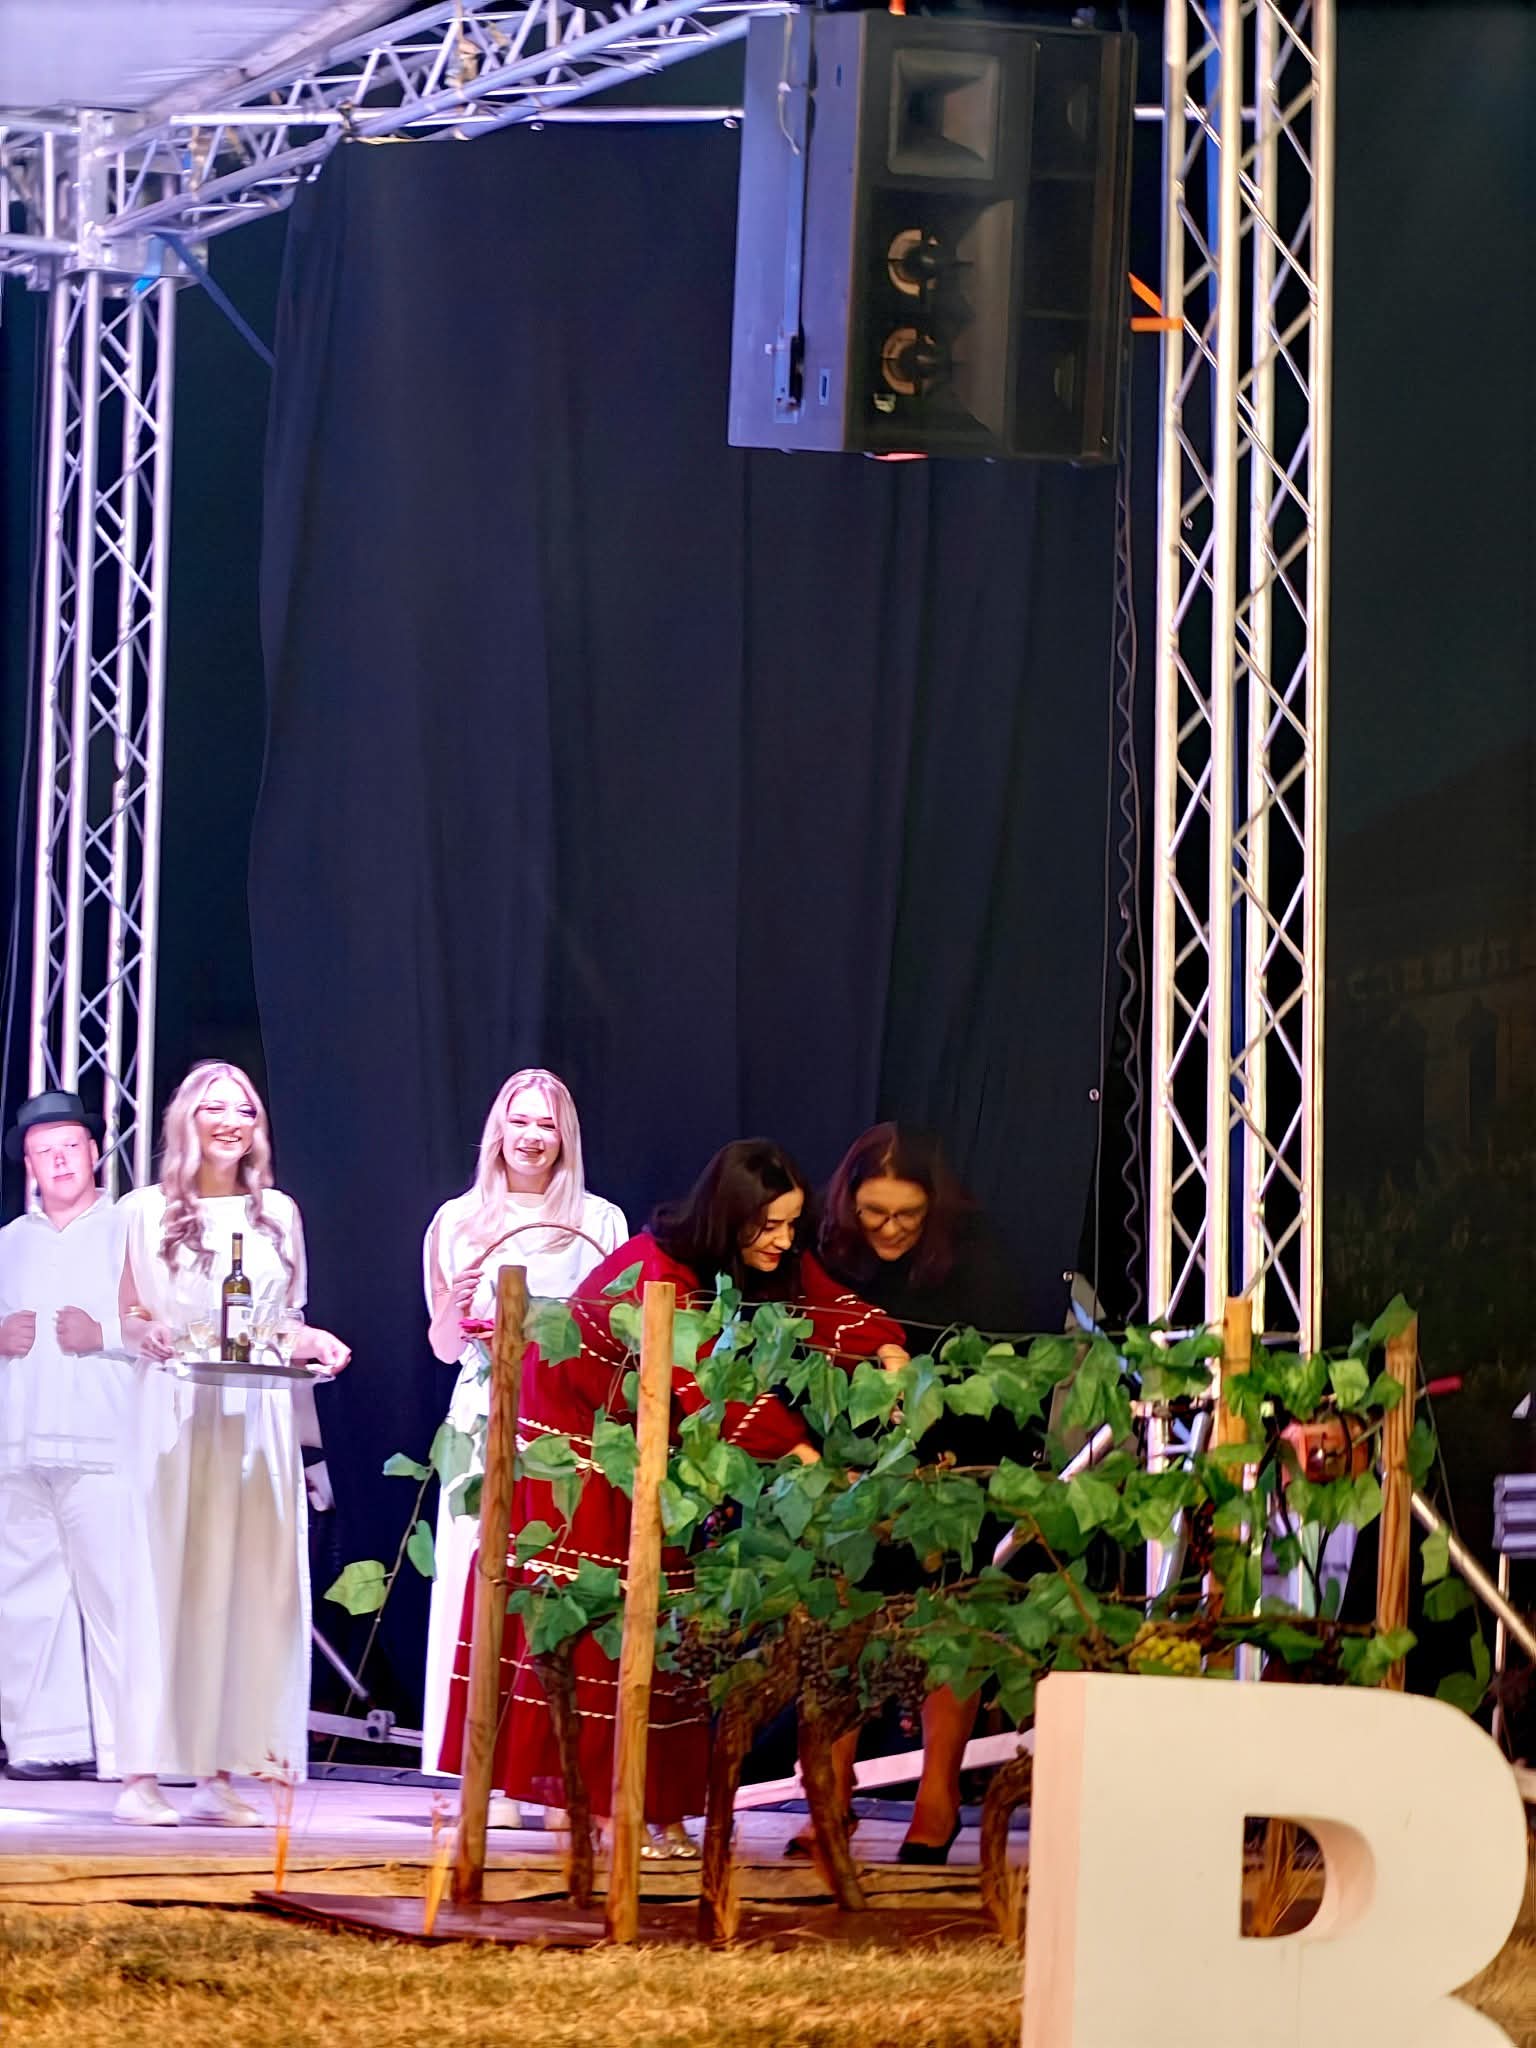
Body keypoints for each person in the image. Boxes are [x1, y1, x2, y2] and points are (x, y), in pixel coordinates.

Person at [438, 1138, 904, 1852]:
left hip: (646, 1444)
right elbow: (711, 1393)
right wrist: (805, 1458)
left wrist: (886, 1346)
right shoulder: (661, 1273)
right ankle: (605, 1810)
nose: (785, 1241)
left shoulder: (746, 1258)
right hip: (580, 1447)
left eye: (791, 1224)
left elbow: (822, 1299)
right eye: (770, 1225)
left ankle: (652, 1806)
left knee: (667, 1618)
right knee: (605, 1615)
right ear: (728, 1216)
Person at [111, 1061, 350, 1826]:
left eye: (243, 1110)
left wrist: (315, 1342)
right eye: (214, 1108)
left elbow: (282, 1323)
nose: (229, 1121)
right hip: (177, 1409)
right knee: (166, 1584)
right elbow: (126, 1314)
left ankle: (219, 1773)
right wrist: (147, 1334)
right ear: (185, 1120)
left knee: (245, 1588)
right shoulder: (144, 1211)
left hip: (258, 1416)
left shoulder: (277, 1212)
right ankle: (140, 1775)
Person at [815, 1122, 1033, 1863]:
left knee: (950, 1626)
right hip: (854, 1469)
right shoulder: (829, 1254)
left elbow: (1007, 1384)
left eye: (907, 1214)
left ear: (933, 1208)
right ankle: (829, 1794)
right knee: (838, 1626)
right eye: (873, 1212)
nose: (889, 1228)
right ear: (847, 1205)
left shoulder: (978, 1263)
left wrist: (940, 1448)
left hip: (953, 1468)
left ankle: (936, 1796)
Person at [421, 1068, 626, 1794]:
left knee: (552, 1582)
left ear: (565, 1137)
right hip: (483, 1413)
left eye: (547, 1124)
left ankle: (549, 1770)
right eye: (520, 1121)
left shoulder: (599, 1221)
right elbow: (443, 1345)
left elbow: (617, 1335)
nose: (532, 1137)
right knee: (476, 1575)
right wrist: (460, 1297)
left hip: (563, 1422)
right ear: (497, 1130)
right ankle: (476, 1765)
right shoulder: (457, 1219)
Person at [0, 1089, 132, 1783]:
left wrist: (101, 1334)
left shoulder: (128, 1230)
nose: (58, 1161)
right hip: (20, 1443)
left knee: (116, 1595)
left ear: (93, 1151)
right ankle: (41, 1742)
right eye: (43, 1151)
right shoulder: (9, 1243)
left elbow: (164, 1328)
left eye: (69, 1147)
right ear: (28, 1164)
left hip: (103, 1442)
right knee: (27, 1598)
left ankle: (129, 1751)